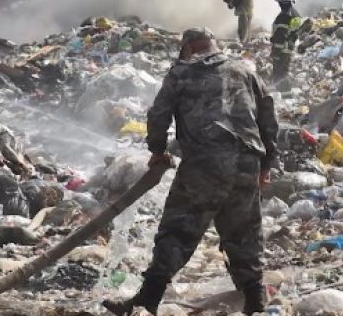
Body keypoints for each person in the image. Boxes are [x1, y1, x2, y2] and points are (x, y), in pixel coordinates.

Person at [103, 28, 279, 316]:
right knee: (244, 232)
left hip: (203, 164)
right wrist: (267, 163)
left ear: (188, 48)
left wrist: (158, 150)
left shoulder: (180, 73)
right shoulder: (244, 70)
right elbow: (267, 117)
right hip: (247, 162)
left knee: (177, 230)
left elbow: (158, 114)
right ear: (214, 45)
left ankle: (147, 300)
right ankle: (255, 303)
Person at [270, 0, 303, 92]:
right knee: (284, 72)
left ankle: (284, 96)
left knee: (279, 74)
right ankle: (286, 97)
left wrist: (276, 53)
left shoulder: (284, 16)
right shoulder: (295, 14)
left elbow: (281, 36)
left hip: (282, 50)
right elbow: (292, 32)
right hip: (289, 47)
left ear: (281, 3)